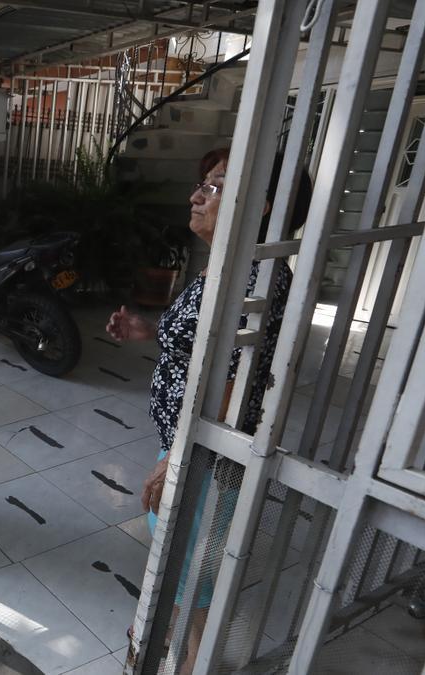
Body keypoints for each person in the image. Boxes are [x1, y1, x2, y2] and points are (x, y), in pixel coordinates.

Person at [107, 148, 312, 672]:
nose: (196, 196)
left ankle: (184, 657)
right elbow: (205, 348)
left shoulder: (259, 281)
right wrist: (150, 331)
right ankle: (164, 639)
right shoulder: (230, 268)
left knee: (192, 565)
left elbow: (232, 377)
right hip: (191, 441)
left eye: (215, 187)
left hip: (210, 449)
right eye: (203, 184)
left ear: (261, 206)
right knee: (180, 553)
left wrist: (176, 456)